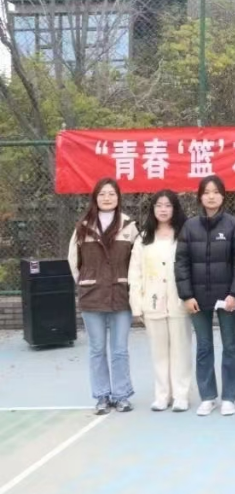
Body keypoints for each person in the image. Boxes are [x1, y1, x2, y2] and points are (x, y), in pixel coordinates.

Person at [68, 177, 141, 415]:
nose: (107, 198)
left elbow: (137, 261)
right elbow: (74, 261)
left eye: (111, 193)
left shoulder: (129, 226)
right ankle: (101, 395)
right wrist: (86, 282)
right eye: (102, 194)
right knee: (97, 349)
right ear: (95, 198)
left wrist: (131, 286)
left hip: (121, 296)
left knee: (120, 349)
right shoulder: (83, 226)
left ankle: (121, 395)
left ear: (118, 197)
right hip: (92, 296)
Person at [175, 175, 235, 417]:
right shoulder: (189, 226)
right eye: (206, 192)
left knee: (230, 345)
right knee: (204, 347)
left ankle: (229, 397)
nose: (211, 196)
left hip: (227, 298)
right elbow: (181, 263)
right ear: (200, 197)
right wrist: (187, 296)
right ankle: (208, 396)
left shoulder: (233, 224)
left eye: (216, 192)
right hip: (197, 298)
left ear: (223, 196)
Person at [128, 190, 192, 413]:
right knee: (159, 352)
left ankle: (181, 395)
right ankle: (162, 395)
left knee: (181, 350)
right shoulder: (144, 237)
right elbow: (135, 272)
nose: (163, 210)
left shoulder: (184, 234)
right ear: (153, 209)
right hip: (153, 301)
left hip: (179, 301)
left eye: (168, 205)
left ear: (175, 208)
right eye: (159, 205)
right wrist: (136, 304)